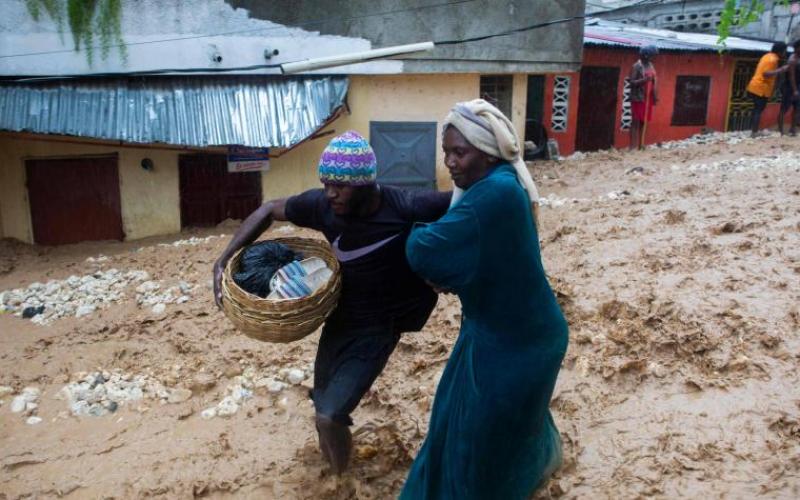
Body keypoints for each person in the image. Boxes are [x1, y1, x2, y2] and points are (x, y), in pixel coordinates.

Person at [213, 131, 452, 474]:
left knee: (329, 416)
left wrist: (446, 268)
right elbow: (269, 209)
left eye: (340, 186)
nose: (331, 193)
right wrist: (224, 259)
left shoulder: (406, 206)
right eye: (325, 183)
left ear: (368, 184)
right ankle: (335, 467)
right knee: (321, 406)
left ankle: (340, 484)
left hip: (379, 328)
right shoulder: (322, 207)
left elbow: (468, 202)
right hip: (340, 320)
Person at [400, 99, 569, 499]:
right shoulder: (504, 183)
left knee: (475, 442)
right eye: (446, 153)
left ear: (487, 152)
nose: (451, 163)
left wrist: (412, 231)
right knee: (465, 424)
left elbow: (424, 251)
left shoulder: (493, 195)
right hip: (505, 332)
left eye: (460, 152)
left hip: (518, 343)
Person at [747, 42, 788, 138]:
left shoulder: (767, 56)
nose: (785, 53)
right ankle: (754, 132)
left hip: (755, 86)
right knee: (758, 110)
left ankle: (754, 130)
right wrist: (781, 69)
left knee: (756, 110)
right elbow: (766, 73)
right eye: (784, 51)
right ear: (780, 51)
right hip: (760, 88)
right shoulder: (772, 59)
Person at [629, 45, 659, 150]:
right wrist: (644, 80)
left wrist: (655, 95)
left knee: (644, 121)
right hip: (638, 98)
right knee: (636, 122)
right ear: (646, 55)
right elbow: (631, 82)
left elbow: (655, 79)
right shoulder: (637, 66)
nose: (653, 57)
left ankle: (641, 145)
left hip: (648, 99)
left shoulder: (651, 65)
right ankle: (632, 147)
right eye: (652, 55)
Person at [778, 40, 800, 136]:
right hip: (789, 87)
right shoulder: (793, 59)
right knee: (784, 109)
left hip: (798, 86)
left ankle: (793, 130)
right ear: (797, 48)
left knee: (797, 109)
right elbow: (791, 76)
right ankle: (781, 131)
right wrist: (795, 90)